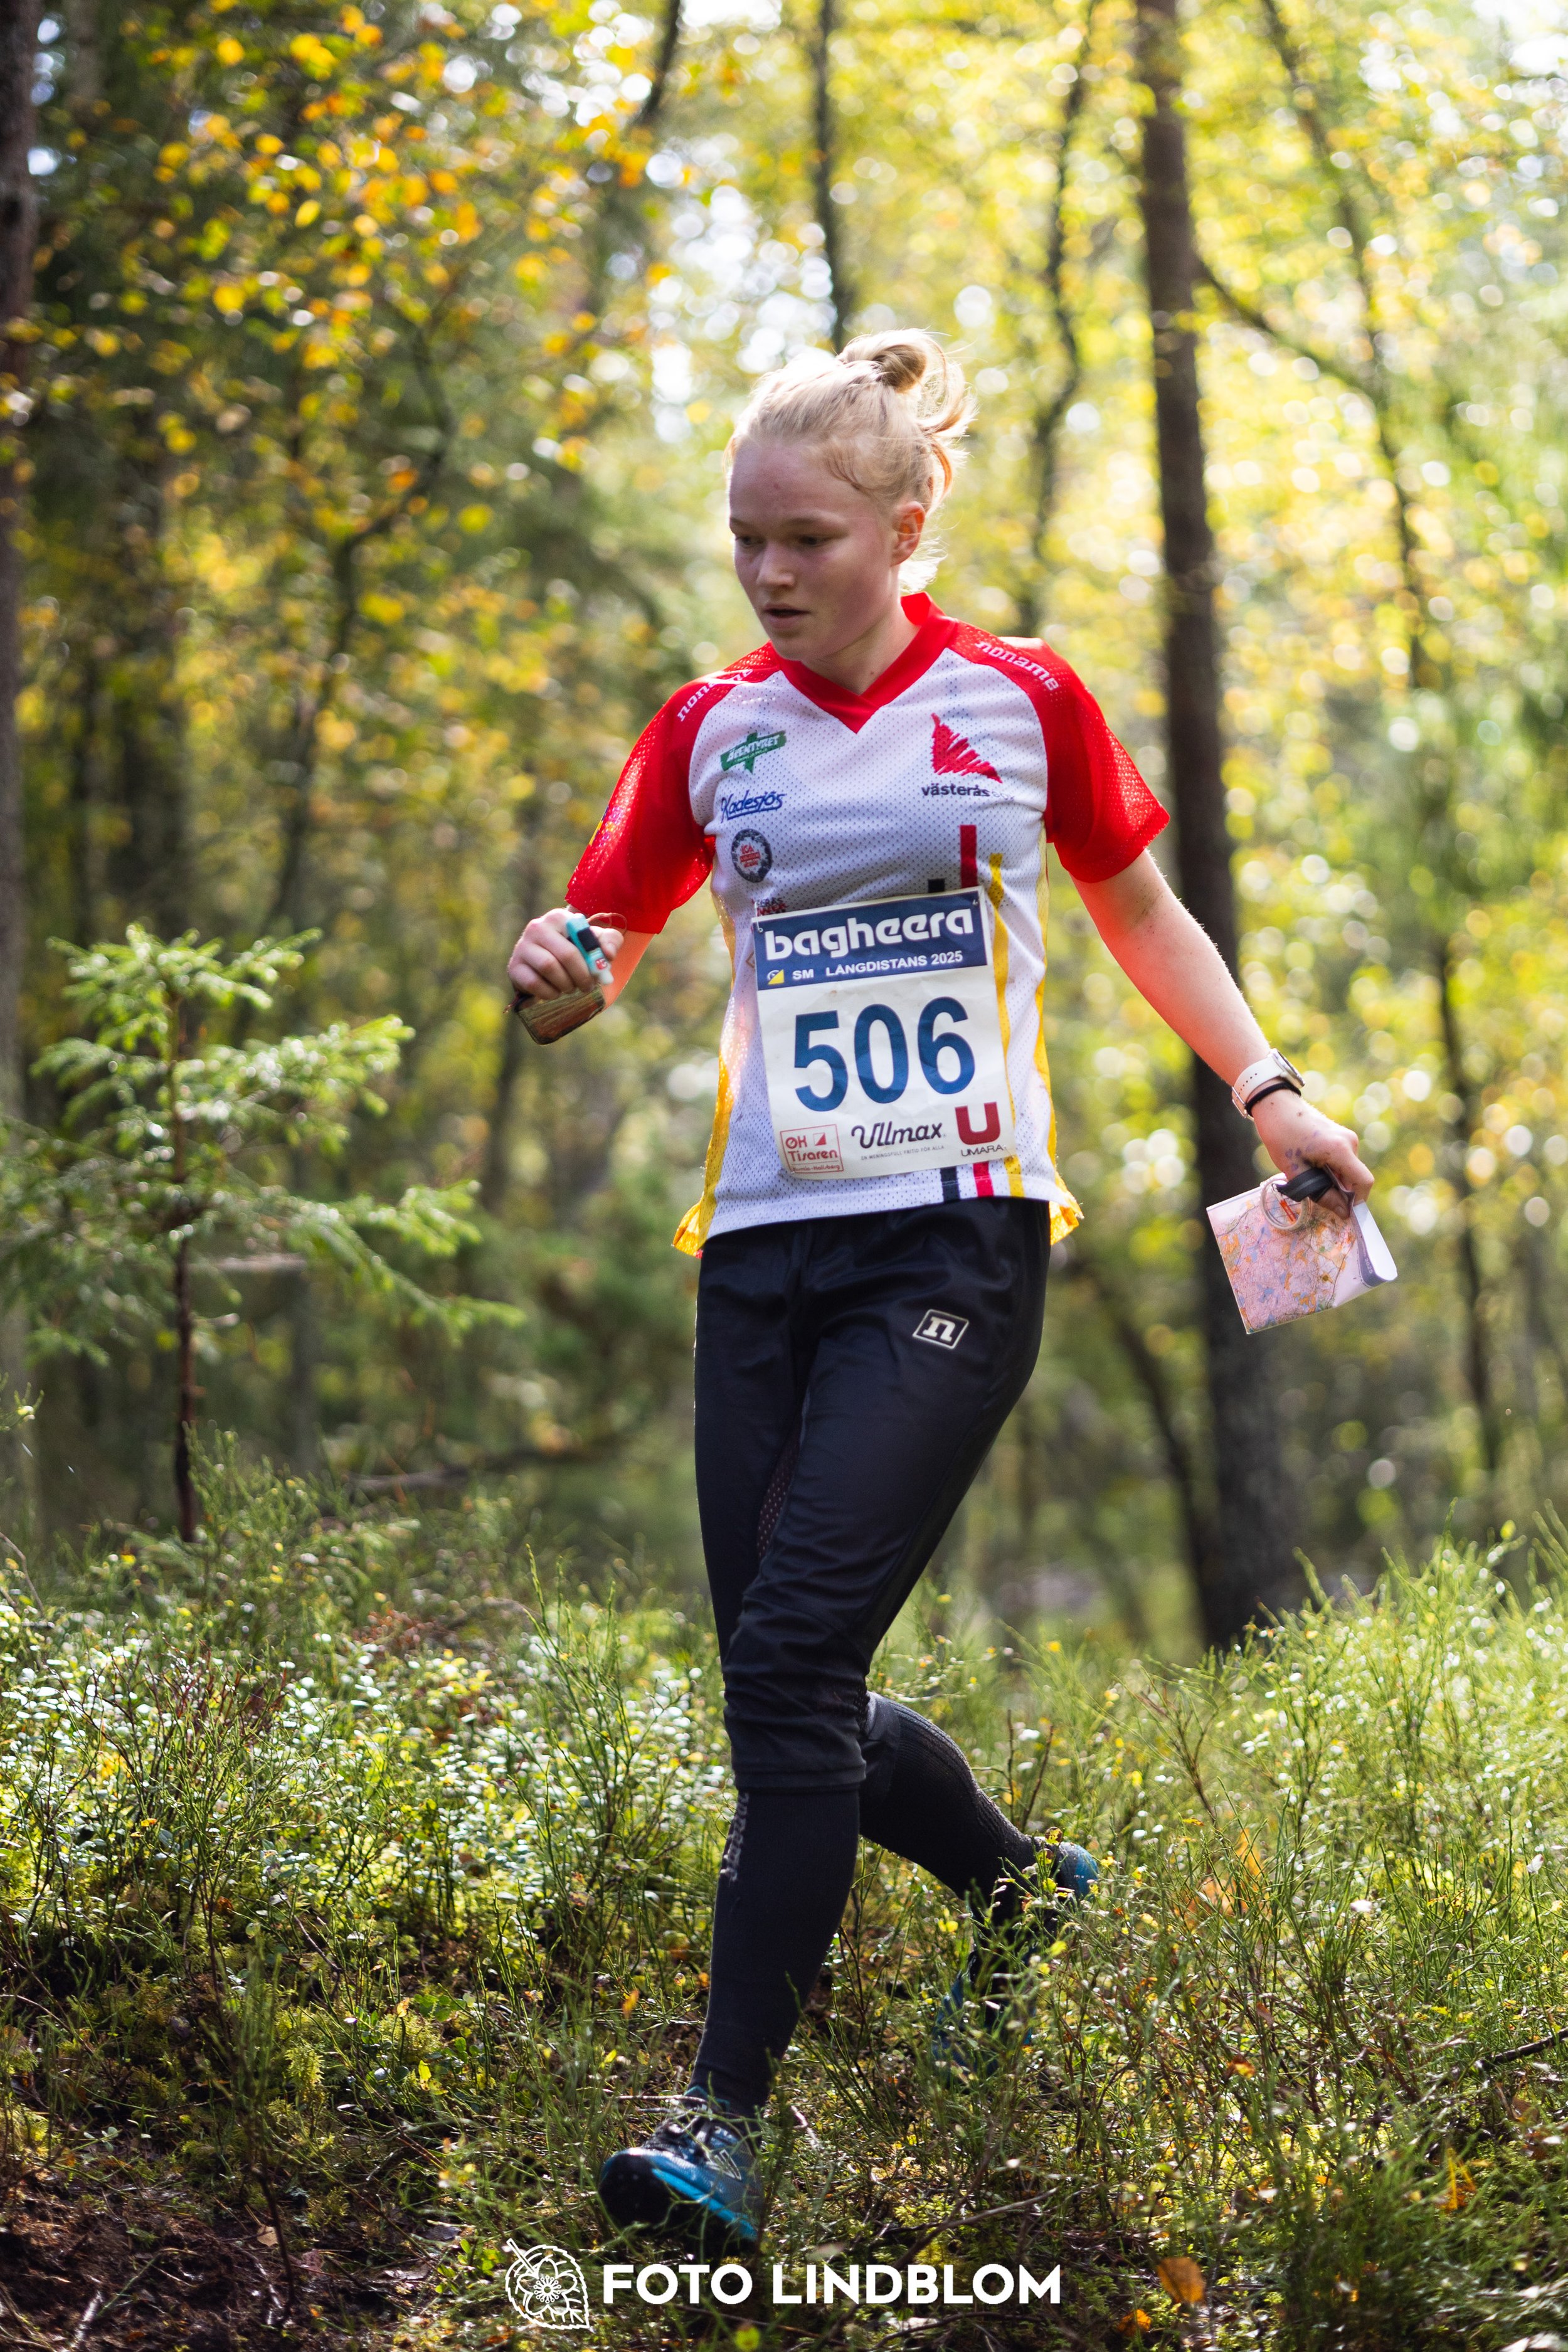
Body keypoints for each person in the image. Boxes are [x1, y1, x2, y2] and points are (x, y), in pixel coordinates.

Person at [506, 330, 1373, 2247]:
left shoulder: (1019, 699)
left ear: (904, 528)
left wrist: (1266, 1085)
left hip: (955, 1234)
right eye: (743, 539)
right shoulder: (703, 726)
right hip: (758, 1251)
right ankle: (1010, 1885)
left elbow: (1137, 904)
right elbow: (601, 931)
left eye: (804, 536)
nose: (767, 571)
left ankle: (719, 2122)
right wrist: (552, 973)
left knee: (791, 1665)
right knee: (779, 1678)